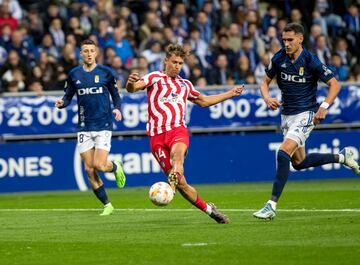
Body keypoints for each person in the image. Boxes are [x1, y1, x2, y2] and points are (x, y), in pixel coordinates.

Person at [126, 44, 244, 224]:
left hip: (177, 130)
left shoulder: (185, 84)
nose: (177, 66)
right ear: (166, 61)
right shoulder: (155, 77)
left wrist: (230, 93)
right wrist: (130, 82)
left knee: (177, 157)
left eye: (180, 63)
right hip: (156, 137)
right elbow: (133, 88)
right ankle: (210, 210)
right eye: (174, 62)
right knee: (183, 185)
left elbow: (203, 101)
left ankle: (171, 185)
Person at [253, 23, 360, 220]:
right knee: (299, 162)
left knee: (283, 151)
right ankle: (342, 157)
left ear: (300, 39)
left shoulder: (310, 60)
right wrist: (267, 98)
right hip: (287, 115)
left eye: (290, 40)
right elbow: (264, 82)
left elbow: (334, 84)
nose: (286, 44)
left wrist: (323, 107)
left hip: (306, 114)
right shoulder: (278, 58)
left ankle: (271, 205)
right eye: (284, 40)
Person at [55, 39, 126, 216]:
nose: (88, 53)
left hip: (103, 124)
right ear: (81, 53)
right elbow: (68, 96)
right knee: (88, 169)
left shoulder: (106, 73)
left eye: (91, 50)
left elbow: (116, 96)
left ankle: (115, 167)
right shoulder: (74, 74)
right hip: (84, 126)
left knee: (100, 165)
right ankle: (107, 205)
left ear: (96, 53)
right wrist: (61, 103)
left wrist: (117, 108)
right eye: (85, 50)